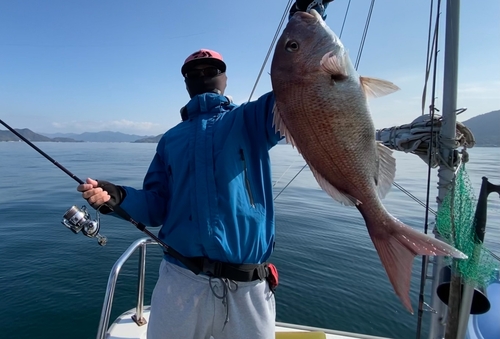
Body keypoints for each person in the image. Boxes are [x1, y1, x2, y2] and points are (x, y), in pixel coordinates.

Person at [77, 2, 333, 339]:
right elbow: (156, 206)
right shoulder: (171, 140)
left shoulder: (252, 119)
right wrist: (118, 197)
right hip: (180, 282)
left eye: (210, 68)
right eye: (194, 71)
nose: (202, 74)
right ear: (185, 81)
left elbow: (300, 84)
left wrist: (308, 16)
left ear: (225, 77)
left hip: (249, 287)